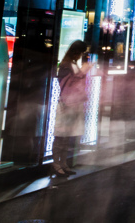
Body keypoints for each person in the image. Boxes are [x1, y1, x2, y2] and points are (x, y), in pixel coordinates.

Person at [53, 40, 91, 177]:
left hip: (72, 103)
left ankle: (62, 163)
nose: (81, 56)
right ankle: (57, 164)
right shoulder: (66, 65)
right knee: (61, 135)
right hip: (67, 104)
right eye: (81, 53)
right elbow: (67, 83)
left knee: (65, 136)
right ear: (76, 52)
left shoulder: (71, 64)